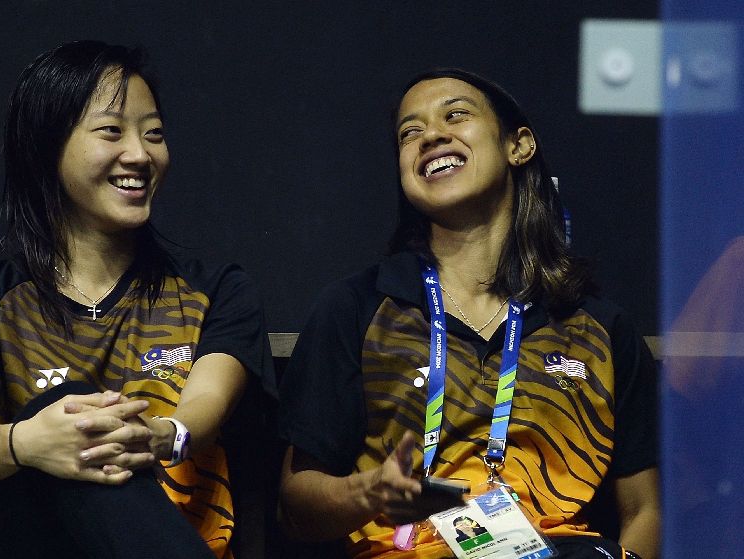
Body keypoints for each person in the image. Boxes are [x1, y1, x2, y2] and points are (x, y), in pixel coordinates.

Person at [278, 69, 659, 559]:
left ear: (518, 145)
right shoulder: (357, 307)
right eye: (409, 133)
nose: (431, 136)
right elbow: (295, 508)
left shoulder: (598, 329)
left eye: (455, 115)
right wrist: (369, 492)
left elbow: (645, 510)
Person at [0, 40, 273, 559]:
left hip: (175, 539)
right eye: (111, 131)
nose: (140, 154)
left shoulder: (215, 290)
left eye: (153, 134)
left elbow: (205, 408)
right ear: (46, 146)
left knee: (80, 424)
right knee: (63, 411)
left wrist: (159, 435)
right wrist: (32, 442)